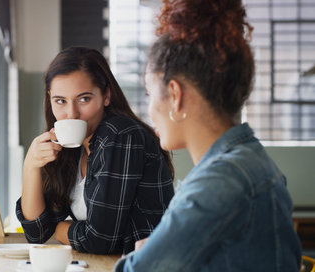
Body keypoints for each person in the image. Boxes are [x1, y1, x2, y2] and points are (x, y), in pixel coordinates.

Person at [115, 0, 302, 270]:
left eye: (149, 93)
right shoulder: (249, 162)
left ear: (176, 95)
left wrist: (143, 254)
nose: (149, 109)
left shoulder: (221, 181)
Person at [16, 47, 175, 254]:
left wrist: (60, 229)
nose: (71, 113)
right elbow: (36, 233)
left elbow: (99, 241)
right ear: (50, 99)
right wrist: (30, 167)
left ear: (106, 95)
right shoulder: (73, 149)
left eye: (84, 99)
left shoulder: (119, 135)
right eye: (60, 101)